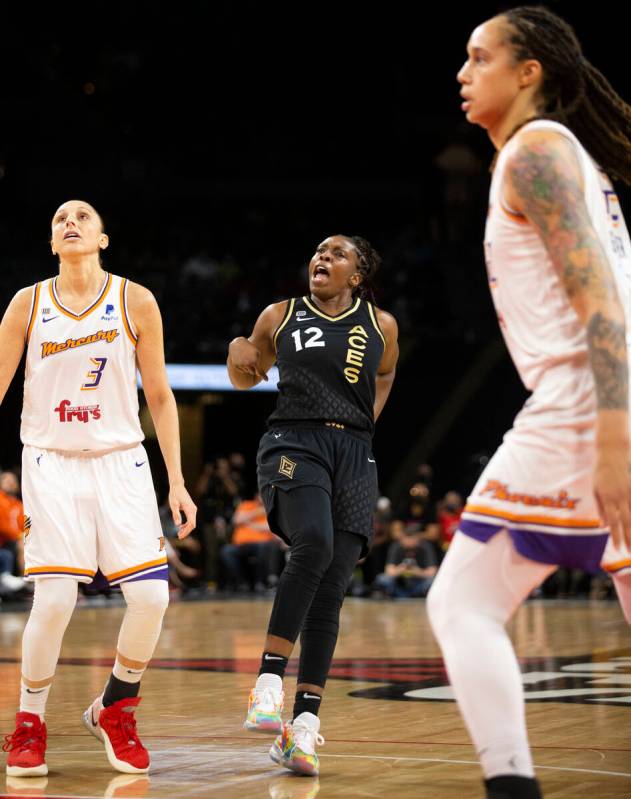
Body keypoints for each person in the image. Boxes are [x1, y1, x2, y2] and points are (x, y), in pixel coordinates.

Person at [426, 8, 631, 799]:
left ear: (528, 72)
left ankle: (512, 789)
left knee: (461, 602)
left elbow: (601, 305)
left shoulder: (535, 152)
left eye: (479, 57)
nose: (462, 71)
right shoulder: (555, 155)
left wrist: (610, 431)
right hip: (608, 389)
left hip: (587, 396)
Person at [0, 200, 197, 777]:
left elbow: (159, 395)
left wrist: (178, 481)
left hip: (121, 460)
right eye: (61, 219)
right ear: (52, 241)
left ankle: (116, 705)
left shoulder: (135, 300)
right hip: (50, 461)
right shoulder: (27, 304)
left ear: (103, 238)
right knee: (56, 598)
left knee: (152, 598)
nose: (70, 222)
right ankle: (29, 723)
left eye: (82, 216)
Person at [227, 234, 398, 775]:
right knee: (315, 543)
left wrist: (363, 422)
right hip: (293, 441)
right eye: (318, 252)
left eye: (336, 254)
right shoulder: (281, 314)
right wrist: (239, 354)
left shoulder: (383, 326)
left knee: (332, 591)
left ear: (357, 275)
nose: (321, 258)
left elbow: (386, 372)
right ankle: (267, 682)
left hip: (354, 451)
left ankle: (301, 731)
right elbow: (244, 375)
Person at [374, 528, 437, 598]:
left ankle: (420, 596)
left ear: (417, 540)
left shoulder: (425, 547)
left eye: (412, 540)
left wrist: (417, 571)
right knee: (382, 579)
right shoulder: (396, 547)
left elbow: (433, 571)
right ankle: (391, 594)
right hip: (399, 584)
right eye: (407, 540)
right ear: (402, 539)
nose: (409, 543)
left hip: (418, 584)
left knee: (433, 581)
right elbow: (389, 571)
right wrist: (402, 568)